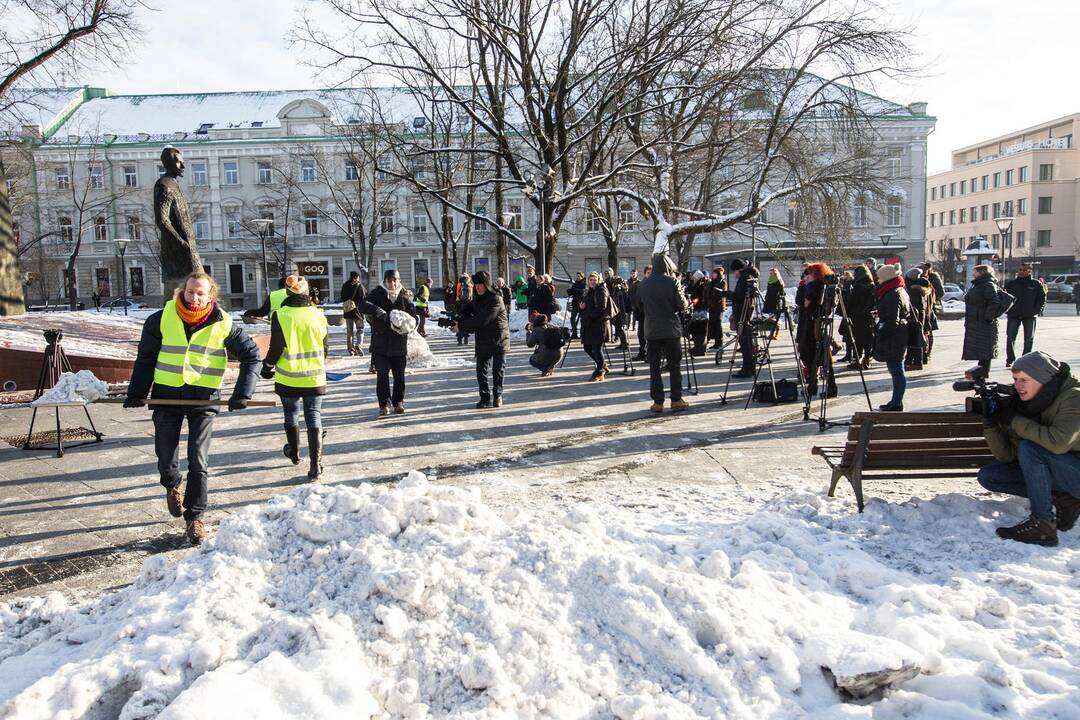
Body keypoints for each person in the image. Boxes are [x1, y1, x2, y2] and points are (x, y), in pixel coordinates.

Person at [124, 271, 259, 546]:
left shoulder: (223, 323)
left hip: (204, 399)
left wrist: (242, 393)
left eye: (201, 293)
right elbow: (146, 358)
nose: (194, 298)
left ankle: (195, 518)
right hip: (166, 396)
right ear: (181, 292)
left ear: (210, 296)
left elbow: (252, 354)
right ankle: (172, 484)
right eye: (190, 292)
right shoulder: (160, 319)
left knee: (198, 460)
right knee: (165, 456)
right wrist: (137, 392)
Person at [977, 351, 1080, 546]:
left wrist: (1014, 420)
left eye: (1024, 380)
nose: (1017, 386)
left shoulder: (1074, 397)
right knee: (990, 475)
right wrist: (991, 422)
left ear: (1042, 379)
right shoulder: (1032, 403)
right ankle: (1065, 499)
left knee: (1032, 449)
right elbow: (1007, 456)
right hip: (1061, 472)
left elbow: (1058, 443)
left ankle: (1043, 524)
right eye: (1015, 379)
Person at [262, 275, 328, 480]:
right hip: (314, 377)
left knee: (291, 414)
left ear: (287, 293)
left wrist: (267, 366)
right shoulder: (319, 315)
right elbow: (325, 347)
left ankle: (295, 453)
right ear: (307, 293)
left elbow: (276, 347)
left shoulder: (281, 315)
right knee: (313, 416)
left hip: (288, 377)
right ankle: (315, 466)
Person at [638, 253, 691, 412]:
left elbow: (639, 306)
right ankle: (676, 399)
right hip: (670, 329)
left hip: (652, 329)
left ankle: (657, 401)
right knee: (674, 365)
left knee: (654, 367)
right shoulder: (672, 281)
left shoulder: (643, 284)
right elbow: (681, 305)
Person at [361, 269, 417, 416]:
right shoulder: (377, 293)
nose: (392, 284)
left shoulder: (405, 296)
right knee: (383, 375)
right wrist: (376, 310)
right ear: (384, 281)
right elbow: (362, 305)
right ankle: (384, 404)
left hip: (399, 343)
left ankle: (398, 402)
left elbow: (413, 317)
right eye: (389, 281)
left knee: (399, 376)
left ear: (399, 281)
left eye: (394, 280)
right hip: (381, 343)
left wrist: (408, 322)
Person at [456, 270, 510, 407]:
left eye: (481, 284)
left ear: (487, 285)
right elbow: (467, 308)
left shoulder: (495, 299)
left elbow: (482, 320)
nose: (479, 287)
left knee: (498, 370)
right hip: (483, 339)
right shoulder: (476, 298)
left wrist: (461, 326)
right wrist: (459, 315)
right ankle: (485, 398)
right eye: (477, 285)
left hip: (499, 339)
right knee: (481, 371)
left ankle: (498, 396)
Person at [873, 264, 913, 411]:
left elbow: (892, 319)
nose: (877, 279)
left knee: (896, 370)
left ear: (886, 277)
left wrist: (882, 333)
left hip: (895, 337)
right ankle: (896, 401)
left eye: (879, 277)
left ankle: (897, 402)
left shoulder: (892, 293)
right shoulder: (898, 290)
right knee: (896, 369)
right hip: (899, 334)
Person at [796, 262, 838, 397]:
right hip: (817, 325)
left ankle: (815, 385)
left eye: (809, 274)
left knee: (812, 356)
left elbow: (804, 303)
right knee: (818, 357)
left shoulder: (814, 286)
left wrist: (803, 288)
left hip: (811, 325)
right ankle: (815, 385)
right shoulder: (824, 285)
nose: (806, 276)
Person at [963, 264, 1005, 375]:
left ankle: (983, 372)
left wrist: (987, 317)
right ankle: (981, 371)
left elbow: (994, 302)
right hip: (977, 321)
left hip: (984, 322)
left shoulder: (988, 284)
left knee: (985, 348)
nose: (973, 274)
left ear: (982, 273)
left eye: (975, 272)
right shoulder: (978, 285)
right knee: (981, 348)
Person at [1004, 264, 1046, 367]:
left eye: (1024, 270)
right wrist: (1006, 309)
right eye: (1020, 269)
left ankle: (1025, 360)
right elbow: (1004, 297)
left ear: (1030, 271)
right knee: (1010, 338)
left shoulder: (1036, 284)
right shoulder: (1011, 284)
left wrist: (1036, 310)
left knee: (1028, 339)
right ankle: (1010, 359)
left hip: (1030, 316)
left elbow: (1042, 298)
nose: (1021, 271)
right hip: (1014, 315)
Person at [728, 258, 759, 378]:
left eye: (734, 271)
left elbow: (739, 296)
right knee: (747, 341)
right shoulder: (748, 276)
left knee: (745, 342)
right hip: (745, 312)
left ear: (738, 270)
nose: (734, 274)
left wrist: (727, 294)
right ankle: (749, 367)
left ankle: (747, 368)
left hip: (743, 313)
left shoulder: (744, 278)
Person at [580, 271, 612, 381]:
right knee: (587, 347)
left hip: (598, 324)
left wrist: (591, 316)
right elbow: (588, 305)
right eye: (590, 280)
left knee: (597, 349)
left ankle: (600, 371)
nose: (592, 282)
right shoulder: (590, 291)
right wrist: (582, 307)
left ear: (598, 280)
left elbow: (601, 307)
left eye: (594, 280)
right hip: (591, 324)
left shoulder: (601, 290)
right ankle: (602, 364)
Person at [843, 265, 876, 370]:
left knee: (857, 340)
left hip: (857, 316)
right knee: (868, 339)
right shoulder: (872, 285)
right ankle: (867, 360)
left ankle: (857, 360)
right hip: (868, 316)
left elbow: (852, 301)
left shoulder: (857, 286)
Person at [903, 267, 932, 371]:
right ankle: (911, 360)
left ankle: (917, 362)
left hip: (915, 317)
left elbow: (912, 306)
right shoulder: (920, 288)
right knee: (915, 339)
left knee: (915, 339)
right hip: (920, 316)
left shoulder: (914, 290)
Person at [341, 271, 367, 354]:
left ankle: (351, 350)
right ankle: (358, 345)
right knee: (360, 329)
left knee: (350, 332)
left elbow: (342, 296)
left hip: (348, 311)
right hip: (358, 312)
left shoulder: (345, 285)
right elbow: (363, 298)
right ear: (355, 277)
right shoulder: (359, 286)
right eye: (358, 277)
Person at [687, 270, 709, 356]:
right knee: (698, 331)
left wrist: (693, 302)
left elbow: (699, 298)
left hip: (700, 311)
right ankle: (698, 348)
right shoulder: (699, 285)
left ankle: (700, 349)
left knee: (699, 331)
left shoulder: (702, 286)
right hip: (699, 310)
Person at [634, 265, 652, 360]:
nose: (650, 275)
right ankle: (642, 352)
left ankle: (649, 354)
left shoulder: (655, 284)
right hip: (643, 313)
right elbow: (638, 300)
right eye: (648, 273)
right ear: (645, 274)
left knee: (650, 335)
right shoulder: (641, 284)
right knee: (642, 334)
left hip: (653, 314)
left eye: (651, 273)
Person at [567, 272, 586, 339]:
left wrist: (575, 290)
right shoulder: (575, 283)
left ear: (582, 277)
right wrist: (570, 291)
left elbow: (582, 291)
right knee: (572, 318)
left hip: (582, 303)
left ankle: (582, 333)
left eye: (579, 276)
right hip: (575, 303)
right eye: (577, 276)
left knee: (582, 319)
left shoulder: (584, 283)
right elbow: (572, 291)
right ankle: (574, 333)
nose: (577, 277)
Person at [455, 275, 472, 345]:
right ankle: (466, 339)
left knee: (459, 322)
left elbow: (455, 295)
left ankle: (459, 339)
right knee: (467, 322)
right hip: (468, 305)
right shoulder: (470, 285)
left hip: (459, 305)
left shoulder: (458, 285)